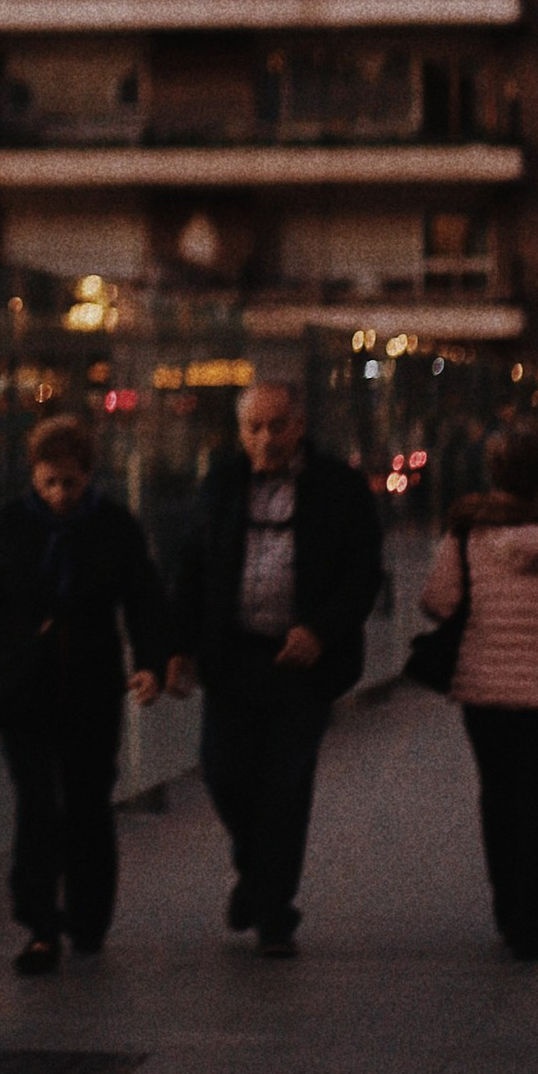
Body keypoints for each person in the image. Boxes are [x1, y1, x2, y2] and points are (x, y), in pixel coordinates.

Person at [167, 380, 381, 959]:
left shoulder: (338, 489)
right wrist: (177, 647)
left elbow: (362, 575)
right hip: (232, 658)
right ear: (239, 432)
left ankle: (273, 912)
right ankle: (260, 879)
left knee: (286, 787)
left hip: (299, 665)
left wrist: (319, 630)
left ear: (300, 424)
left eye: (276, 425)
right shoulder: (221, 485)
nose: (265, 439)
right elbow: (192, 566)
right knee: (224, 773)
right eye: (253, 428)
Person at [0, 412, 169, 974]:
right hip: (25, 686)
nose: (58, 495)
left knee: (87, 801)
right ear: (33, 476)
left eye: (69, 482)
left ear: (87, 475)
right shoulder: (12, 525)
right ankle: (40, 925)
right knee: (35, 802)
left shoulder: (115, 527)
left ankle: (89, 916)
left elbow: (143, 599)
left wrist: (149, 664)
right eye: (48, 482)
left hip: (91, 684)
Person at [417, 419, 538, 960]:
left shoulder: (470, 530)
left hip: (485, 685)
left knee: (499, 795)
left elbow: (440, 601)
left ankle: (505, 903)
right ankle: (531, 911)